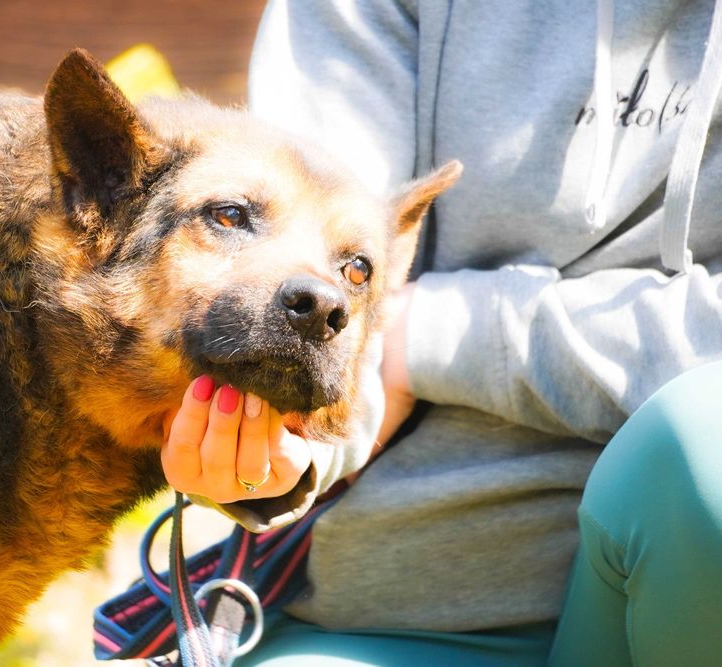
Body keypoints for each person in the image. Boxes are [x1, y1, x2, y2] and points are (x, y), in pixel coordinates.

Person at [160, 0, 722, 665]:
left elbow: (382, 320)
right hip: (386, 618)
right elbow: (319, 282)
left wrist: (430, 331)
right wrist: (285, 456)